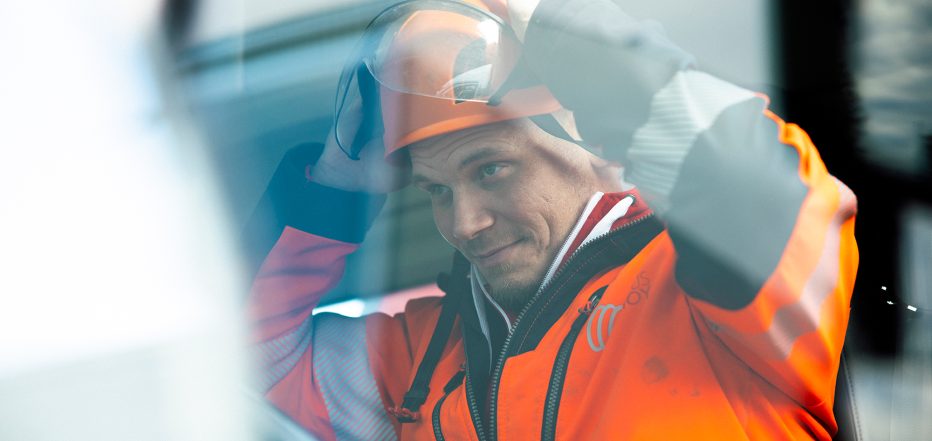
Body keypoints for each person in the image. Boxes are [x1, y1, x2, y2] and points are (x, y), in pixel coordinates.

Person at [243, 0, 858, 439]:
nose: (464, 224)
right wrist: (336, 185)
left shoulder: (711, 292)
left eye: (491, 169)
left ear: (597, 146)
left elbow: (761, 192)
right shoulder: (421, 357)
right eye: (437, 190)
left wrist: (568, 32)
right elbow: (236, 361)